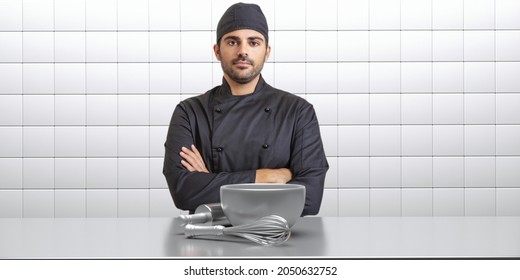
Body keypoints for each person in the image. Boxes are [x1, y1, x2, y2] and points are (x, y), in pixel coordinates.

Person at [163, 2, 328, 215]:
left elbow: (310, 199)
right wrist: (266, 177)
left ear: (267, 52)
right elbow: (183, 191)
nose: (243, 51)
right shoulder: (189, 112)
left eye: (254, 42)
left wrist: (210, 183)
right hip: (210, 241)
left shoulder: (298, 112)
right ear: (217, 51)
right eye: (232, 42)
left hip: (278, 239)